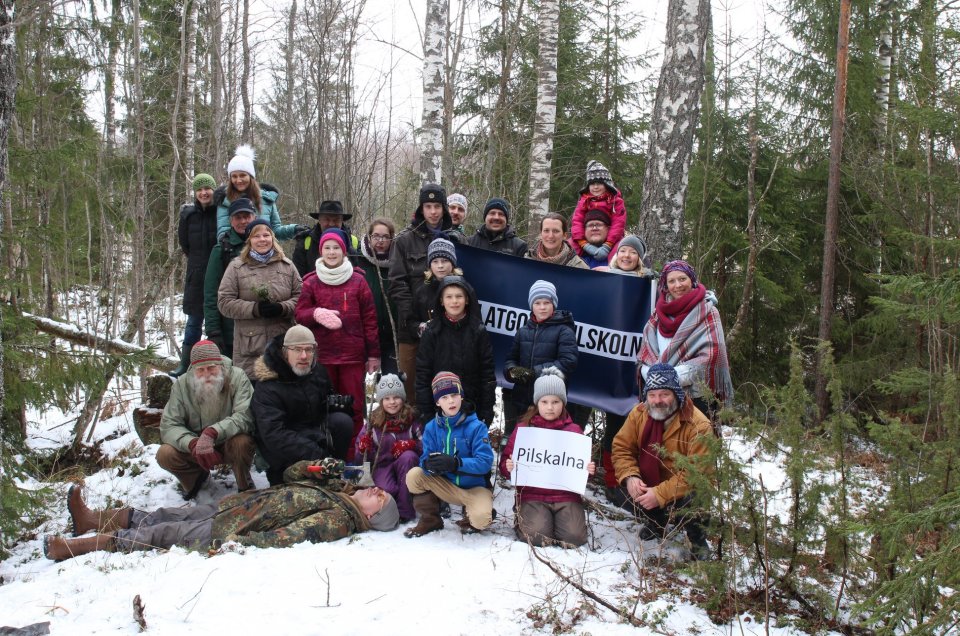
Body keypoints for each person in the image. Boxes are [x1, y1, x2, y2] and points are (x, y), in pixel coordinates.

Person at [43, 458, 399, 561]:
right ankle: (90, 520)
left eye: (378, 498)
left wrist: (237, 543)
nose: (374, 489)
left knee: (163, 534)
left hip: (233, 529)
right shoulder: (339, 491)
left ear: (370, 516)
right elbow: (289, 474)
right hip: (236, 506)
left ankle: (74, 549)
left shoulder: (339, 519)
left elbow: (286, 537)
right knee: (168, 515)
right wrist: (313, 468)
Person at [611, 363, 712, 559]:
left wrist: (659, 494)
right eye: (652, 395)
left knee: (696, 496)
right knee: (621, 491)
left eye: (664, 394)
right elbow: (622, 448)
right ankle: (656, 522)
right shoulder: (639, 413)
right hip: (651, 481)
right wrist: (630, 477)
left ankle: (697, 539)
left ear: (676, 393)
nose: (658, 401)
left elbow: (696, 474)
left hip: (682, 489)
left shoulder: (698, 425)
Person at [294, 228, 380, 450]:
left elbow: (370, 320)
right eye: (327, 248)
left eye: (336, 248)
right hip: (322, 356)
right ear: (321, 251)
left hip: (352, 356)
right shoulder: (311, 282)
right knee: (322, 406)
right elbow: (299, 315)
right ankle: (326, 452)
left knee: (355, 405)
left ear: (344, 251)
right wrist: (315, 313)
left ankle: (353, 452)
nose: (331, 253)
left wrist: (373, 355)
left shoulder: (358, 281)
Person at [499, 370, 596, 547]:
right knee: (537, 537)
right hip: (533, 495)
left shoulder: (574, 431)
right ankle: (525, 520)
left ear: (563, 403)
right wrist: (508, 466)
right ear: (537, 403)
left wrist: (588, 471)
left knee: (574, 538)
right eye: (544, 402)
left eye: (555, 402)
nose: (550, 407)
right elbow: (505, 464)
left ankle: (557, 523)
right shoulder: (524, 429)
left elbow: (579, 469)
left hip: (566, 496)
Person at [251, 326, 355, 484]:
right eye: (297, 350)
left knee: (342, 421)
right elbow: (274, 434)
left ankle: (331, 474)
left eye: (309, 349)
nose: (304, 356)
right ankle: (305, 474)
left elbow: (322, 409)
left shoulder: (317, 372)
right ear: (285, 351)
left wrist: (336, 404)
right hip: (282, 452)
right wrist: (316, 453)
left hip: (312, 437)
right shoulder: (267, 385)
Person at [157, 340, 256, 499]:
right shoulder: (182, 384)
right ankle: (197, 483)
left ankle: (244, 486)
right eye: (200, 370)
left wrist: (213, 432)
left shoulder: (237, 377)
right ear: (193, 370)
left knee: (242, 442)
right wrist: (192, 443)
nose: (206, 374)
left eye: (211, 368)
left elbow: (245, 415)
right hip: (196, 448)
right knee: (165, 453)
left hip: (229, 441)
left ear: (220, 365)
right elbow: (170, 425)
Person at [388, 183, 459, 400]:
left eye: (437, 206)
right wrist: (412, 321)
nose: (433, 211)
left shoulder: (456, 239)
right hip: (411, 330)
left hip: (448, 329)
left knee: (444, 388)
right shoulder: (403, 240)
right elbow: (396, 283)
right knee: (411, 389)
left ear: (444, 208)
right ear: (421, 209)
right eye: (428, 206)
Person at [637, 260, 734, 418]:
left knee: (695, 440)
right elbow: (645, 352)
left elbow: (713, 356)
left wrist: (671, 376)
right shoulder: (657, 314)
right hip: (658, 396)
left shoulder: (708, 311)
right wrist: (651, 374)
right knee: (660, 442)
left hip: (695, 396)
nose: (678, 285)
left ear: (692, 280)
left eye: (682, 279)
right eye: (671, 281)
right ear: (665, 285)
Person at [404, 372, 496, 537]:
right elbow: (425, 457)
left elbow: (485, 462)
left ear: (461, 395)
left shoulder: (476, 427)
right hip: (446, 486)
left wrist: (456, 463)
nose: (451, 401)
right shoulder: (432, 427)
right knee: (414, 476)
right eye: (444, 397)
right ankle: (431, 520)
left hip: (474, 488)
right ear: (438, 402)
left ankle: (474, 514)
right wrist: (428, 465)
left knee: (481, 519)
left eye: (454, 395)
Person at [217, 219, 302, 380]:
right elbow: (224, 302)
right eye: (256, 236)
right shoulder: (236, 267)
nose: (262, 239)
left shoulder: (287, 266)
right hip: (250, 349)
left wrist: (283, 308)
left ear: (273, 238)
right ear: (249, 240)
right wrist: (254, 309)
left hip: (282, 346)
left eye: (266, 235)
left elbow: (301, 298)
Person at [415, 276, 495, 428]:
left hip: (472, 408)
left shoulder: (478, 331)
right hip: (438, 409)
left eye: (459, 296)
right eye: (449, 297)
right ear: (441, 301)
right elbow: (422, 375)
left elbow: (487, 374)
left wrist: (486, 411)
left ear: (467, 299)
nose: (454, 301)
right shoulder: (431, 332)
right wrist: (426, 413)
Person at [503, 280, 578, 436]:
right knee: (518, 443)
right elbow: (511, 358)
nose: (542, 307)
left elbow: (568, 362)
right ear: (532, 306)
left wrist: (533, 373)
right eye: (537, 303)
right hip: (522, 401)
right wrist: (511, 371)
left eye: (546, 302)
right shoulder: (523, 330)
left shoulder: (564, 330)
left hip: (550, 402)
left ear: (553, 304)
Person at [354, 374, 423, 522]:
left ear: (402, 398)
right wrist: (363, 448)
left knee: (408, 457)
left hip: (406, 465)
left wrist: (412, 445)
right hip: (382, 466)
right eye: (387, 398)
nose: (392, 402)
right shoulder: (373, 423)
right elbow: (360, 459)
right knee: (388, 490)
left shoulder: (412, 420)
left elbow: (425, 446)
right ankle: (389, 509)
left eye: (396, 397)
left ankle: (405, 510)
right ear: (381, 400)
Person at [171, 173, 219, 377]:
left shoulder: (220, 213)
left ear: (213, 190)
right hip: (196, 276)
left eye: (207, 188)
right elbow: (185, 245)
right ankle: (185, 365)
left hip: (219, 274)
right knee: (193, 322)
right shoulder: (188, 215)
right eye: (199, 189)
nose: (204, 192)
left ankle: (218, 363)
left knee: (217, 323)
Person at [214, 144, 305, 241]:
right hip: (237, 253)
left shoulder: (267, 199)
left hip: (265, 250)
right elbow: (223, 233)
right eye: (234, 176)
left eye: (242, 175)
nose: (238, 180)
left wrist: (294, 229)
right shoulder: (225, 201)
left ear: (251, 176)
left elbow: (275, 231)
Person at [203, 198, 257, 358]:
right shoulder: (221, 250)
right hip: (231, 332)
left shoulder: (264, 246)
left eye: (246, 216)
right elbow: (211, 293)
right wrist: (213, 331)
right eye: (238, 217)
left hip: (262, 329)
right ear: (230, 221)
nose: (243, 221)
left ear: (254, 217)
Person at [357, 217, 400, 375]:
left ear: (392, 239)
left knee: (393, 383)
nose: (380, 241)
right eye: (376, 236)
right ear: (369, 237)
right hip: (364, 335)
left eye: (385, 237)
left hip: (393, 335)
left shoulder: (399, 262)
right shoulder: (357, 261)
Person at [569, 160, 626, 264]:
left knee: (620, 249)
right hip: (585, 239)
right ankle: (568, 267)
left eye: (599, 183)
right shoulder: (584, 200)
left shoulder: (615, 201)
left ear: (607, 184)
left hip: (612, 239)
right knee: (569, 246)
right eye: (592, 184)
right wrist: (584, 244)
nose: (595, 187)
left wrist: (607, 245)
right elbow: (577, 221)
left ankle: (613, 269)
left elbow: (618, 223)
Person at [408, 238, 463, 341]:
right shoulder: (422, 291)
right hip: (430, 349)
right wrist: (424, 328)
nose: (440, 266)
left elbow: (475, 321)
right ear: (429, 265)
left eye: (445, 260)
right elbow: (411, 321)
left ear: (453, 263)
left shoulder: (464, 288)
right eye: (435, 261)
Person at [292, 200, 361, 278]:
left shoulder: (354, 242)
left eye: (336, 220)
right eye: (327, 219)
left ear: (342, 221)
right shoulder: (304, 243)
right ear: (319, 220)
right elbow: (298, 279)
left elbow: (359, 275)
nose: (331, 224)